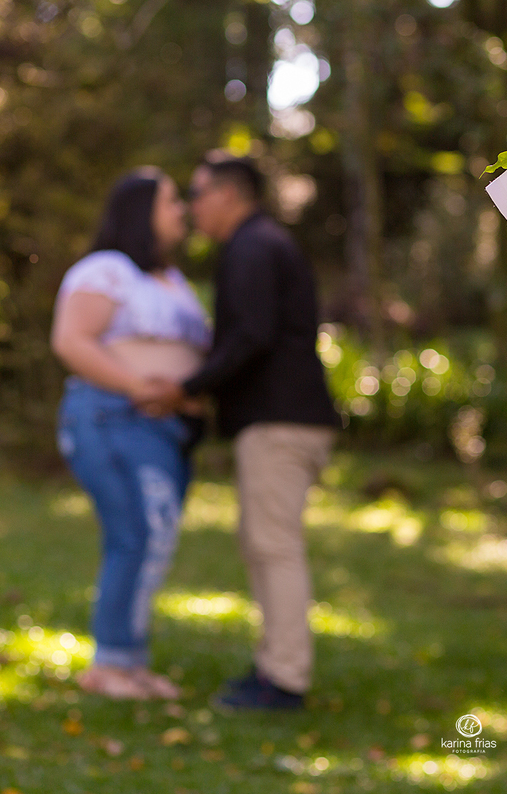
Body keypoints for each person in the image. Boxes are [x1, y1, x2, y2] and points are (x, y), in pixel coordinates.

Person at [141, 152, 339, 710]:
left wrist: (187, 387)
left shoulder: (253, 247)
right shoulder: (259, 245)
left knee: (273, 546)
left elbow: (249, 337)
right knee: (265, 544)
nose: (191, 207)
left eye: (196, 195)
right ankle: (274, 668)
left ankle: (283, 680)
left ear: (227, 196)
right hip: (281, 419)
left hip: (281, 422)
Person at [51, 167, 209, 700]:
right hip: (112, 417)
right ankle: (109, 665)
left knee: (154, 539)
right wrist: (141, 387)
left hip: (164, 430)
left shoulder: (172, 280)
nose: (182, 210)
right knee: (135, 535)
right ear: (140, 211)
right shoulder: (107, 270)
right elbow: (72, 340)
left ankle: (130, 663)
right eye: (171, 202)